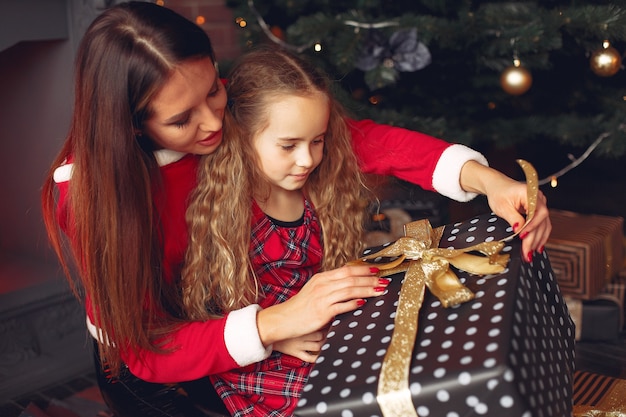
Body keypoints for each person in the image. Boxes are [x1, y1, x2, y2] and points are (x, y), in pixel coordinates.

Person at [40, 2, 550, 417]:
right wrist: (275, 323)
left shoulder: (227, 115)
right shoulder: (92, 198)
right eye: (181, 120)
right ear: (130, 125)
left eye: (214, 88)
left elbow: (364, 141)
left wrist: (491, 181)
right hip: (159, 365)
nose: (214, 122)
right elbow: (147, 349)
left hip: (244, 309)